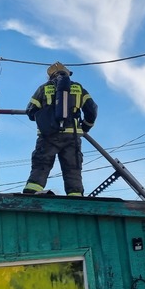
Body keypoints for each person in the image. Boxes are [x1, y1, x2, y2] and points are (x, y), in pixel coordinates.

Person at [23, 62, 98, 196]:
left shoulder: (43, 88)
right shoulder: (78, 88)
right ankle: (76, 197)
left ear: (50, 76)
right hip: (72, 137)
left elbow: (30, 111)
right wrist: (85, 127)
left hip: (48, 136)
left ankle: (32, 193)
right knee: (72, 169)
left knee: (41, 165)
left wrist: (46, 118)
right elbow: (92, 110)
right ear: (67, 73)